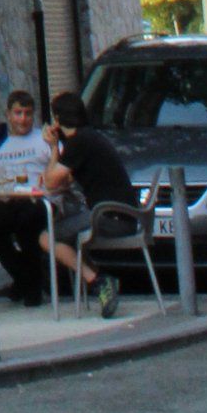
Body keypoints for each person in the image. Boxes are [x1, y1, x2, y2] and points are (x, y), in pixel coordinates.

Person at [45, 90, 138, 319]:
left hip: (110, 216)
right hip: (121, 214)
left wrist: (53, 148)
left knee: (47, 237)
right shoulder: (88, 138)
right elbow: (64, 180)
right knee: (63, 234)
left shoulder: (79, 142)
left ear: (57, 119)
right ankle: (100, 281)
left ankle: (98, 281)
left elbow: (50, 182)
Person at [0, 87, 54, 306]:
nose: (23, 119)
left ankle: (29, 289)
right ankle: (27, 280)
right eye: (18, 113)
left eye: (27, 113)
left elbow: (58, 171)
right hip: (7, 200)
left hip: (37, 200)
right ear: (8, 114)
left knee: (27, 223)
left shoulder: (43, 139)